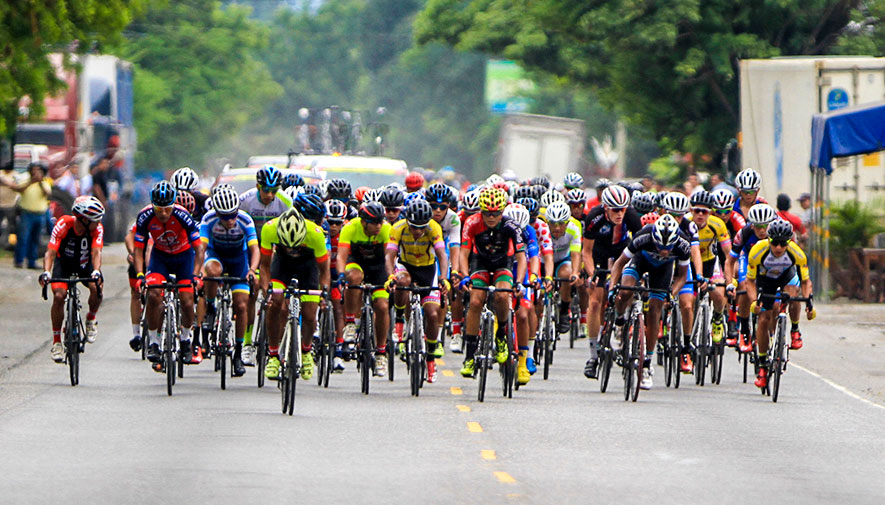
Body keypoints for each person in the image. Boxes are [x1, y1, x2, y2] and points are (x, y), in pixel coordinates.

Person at [607, 214, 691, 389]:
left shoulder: (683, 244)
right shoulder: (643, 236)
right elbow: (619, 264)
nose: (664, 251)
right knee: (624, 291)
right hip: (640, 261)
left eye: (668, 247)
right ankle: (619, 322)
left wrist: (672, 294)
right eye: (660, 246)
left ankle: (646, 364)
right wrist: (612, 289)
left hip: (663, 271)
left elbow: (682, 277)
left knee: (654, 312)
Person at [133, 181, 205, 369]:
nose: (163, 213)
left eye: (167, 209)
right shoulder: (145, 217)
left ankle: (186, 339)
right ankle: (155, 342)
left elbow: (199, 249)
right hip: (160, 257)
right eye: (159, 209)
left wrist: (196, 275)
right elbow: (138, 249)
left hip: (184, 257)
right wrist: (140, 274)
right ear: (153, 205)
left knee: (187, 299)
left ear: (173, 205)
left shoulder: (183, 215)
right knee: (154, 293)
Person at [458, 188, 526, 377]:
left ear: (502, 211)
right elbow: (463, 253)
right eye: (487, 213)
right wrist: (464, 276)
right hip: (479, 262)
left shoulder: (511, 225)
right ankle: (470, 357)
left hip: (502, 263)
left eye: (495, 213)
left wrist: (519, 282)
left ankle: (501, 336)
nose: (491, 217)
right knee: (475, 301)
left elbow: (521, 258)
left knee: (503, 295)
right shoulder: (472, 223)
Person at [259, 208, 330, 381]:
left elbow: (324, 269)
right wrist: (266, 290)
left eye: (295, 245)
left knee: (309, 313)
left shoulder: (316, 234)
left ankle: (306, 350)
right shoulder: (269, 229)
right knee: (276, 304)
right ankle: (274, 355)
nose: (291, 249)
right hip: (282, 266)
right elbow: (265, 266)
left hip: (308, 268)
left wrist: (324, 293)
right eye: (287, 245)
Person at [580, 185, 643, 378]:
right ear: (606, 207)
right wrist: (591, 275)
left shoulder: (631, 216)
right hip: (598, 254)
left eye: (623, 208)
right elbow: (586, 252)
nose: (620, 213)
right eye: (615, 209)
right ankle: (592, 356)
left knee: (624, 290)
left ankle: (619, 322)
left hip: (621, 253)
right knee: (595, 301)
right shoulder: (594, 217)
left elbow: (640, 247)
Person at [385, 199, 449, 383]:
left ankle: (430, 358)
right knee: (402, 281)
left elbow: (442, 255)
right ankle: (399, 319)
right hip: (406, 266)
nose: (418, 231)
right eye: (414, 227)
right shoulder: (397, 228)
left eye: (422, 227)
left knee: (432, 313)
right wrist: (390, 276)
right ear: (407, 222)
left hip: (428, 270)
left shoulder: (434, 228)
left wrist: (444, 278)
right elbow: (389, 255)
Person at [746, 219, 815, 389]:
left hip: (786, 277)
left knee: (794, 292)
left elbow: (806, 282)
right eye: (774, 243)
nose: (778, 248)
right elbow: (750, 281)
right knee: (763, 319)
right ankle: (762, 366)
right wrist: (754, 301)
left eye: (782, 244)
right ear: (768, 240)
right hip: (766, 280)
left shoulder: (797, 253)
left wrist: (808, 302)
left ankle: (794, 329)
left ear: (789, 242)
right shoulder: (757, 251)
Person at [199, 185, 260, 378]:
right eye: (225, 217)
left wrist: (251, 270)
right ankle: (210, 307)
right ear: (217, 213)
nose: (230, 220)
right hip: (216, 255)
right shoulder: (208, 219)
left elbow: (254, 250)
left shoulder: (244, 220)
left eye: (232, 215)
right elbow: (201, 248)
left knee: (241, 305)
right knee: (212, 271)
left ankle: (238, 353)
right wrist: (198, 270)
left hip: (238, 261)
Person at [38, 196, 105, 362]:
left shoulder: (97, 228)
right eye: (94, 220)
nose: (98, 223)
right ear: (83, 219)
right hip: (64, 265)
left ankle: (91, 319)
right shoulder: (63, 224)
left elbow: (96, 252)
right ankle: (56, 343)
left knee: (97, 287)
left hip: (85, 264)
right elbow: (50, 252)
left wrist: (96, 271)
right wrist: (46, 272)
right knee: (59, 296)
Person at [338, 201, 392, 376]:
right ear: (363, 222)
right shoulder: (350, 228)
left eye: (380, 221)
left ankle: (381, 353)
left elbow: (388, 258)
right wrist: (340, 275)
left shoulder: (385, 229)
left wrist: (391, 277)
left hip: (378, 268)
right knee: (354, 278)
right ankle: (351, 323)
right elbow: (341, 256)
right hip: (356, 263)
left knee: (382, 306)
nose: (378, 226)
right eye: (374, 222)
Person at [4, 162, 51, 269]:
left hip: (40, 214)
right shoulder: (25, 181)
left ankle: (32, 261)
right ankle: (19, 260)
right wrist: (31, 182)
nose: (36, 172)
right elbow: (19, 189)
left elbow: (47, 193)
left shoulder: (44, 183)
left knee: (35, 239)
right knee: (23, 238)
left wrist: (39, 182)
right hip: (27, 213)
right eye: (34, 170)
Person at [0, 163, 18, 248]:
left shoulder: (15, 175)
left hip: (10, 205)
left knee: (12, 226)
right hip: (0, 204)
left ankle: (11, 244)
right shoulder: (1, 173)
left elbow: (17, 186)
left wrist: (5, 182)